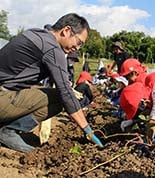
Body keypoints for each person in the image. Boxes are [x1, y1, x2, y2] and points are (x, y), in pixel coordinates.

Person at [0, 13, 103, 152]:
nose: (77, 48)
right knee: (59, 99)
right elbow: (65, 93)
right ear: (66, 31)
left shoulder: (38, 34)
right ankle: (8, 131)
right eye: (79, 42)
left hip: (5, 92)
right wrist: (88, 130)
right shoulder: (53, 48)